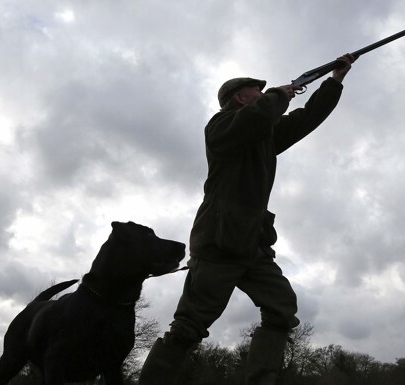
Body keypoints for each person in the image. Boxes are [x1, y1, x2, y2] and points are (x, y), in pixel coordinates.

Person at [139, 54, 356, 385]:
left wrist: (334, 80)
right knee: (189, 326)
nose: (263, 92)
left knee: (282, 309)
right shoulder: (222, 127)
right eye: (258, 89)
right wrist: (281, 94)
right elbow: (258, 117)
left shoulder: (264, 133)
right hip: (219, 240)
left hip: (253, 243)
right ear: (241, 96)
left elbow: (307, 118)